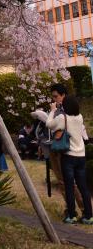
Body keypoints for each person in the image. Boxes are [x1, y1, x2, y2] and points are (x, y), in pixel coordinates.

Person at [46, 94, 93, 225]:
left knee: (69, 186)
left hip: (69, 157)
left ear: (65, 106)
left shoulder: (62, 117)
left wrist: (52, 110)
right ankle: (89, 216)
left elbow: (49, 124)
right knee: (83, 187)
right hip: (81, 156)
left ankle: (71, 215)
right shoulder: (80, 117)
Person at [48, 83, 84, 215]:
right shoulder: (69, 110)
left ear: (63, 95)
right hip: (66, 149)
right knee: (66, 181)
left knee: (65, 182)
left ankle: (74, 210)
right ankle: (77, 209)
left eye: (56, 96)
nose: (54, 99)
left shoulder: (65, 111)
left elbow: (50, 125)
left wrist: (52, 112)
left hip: (63, 149)